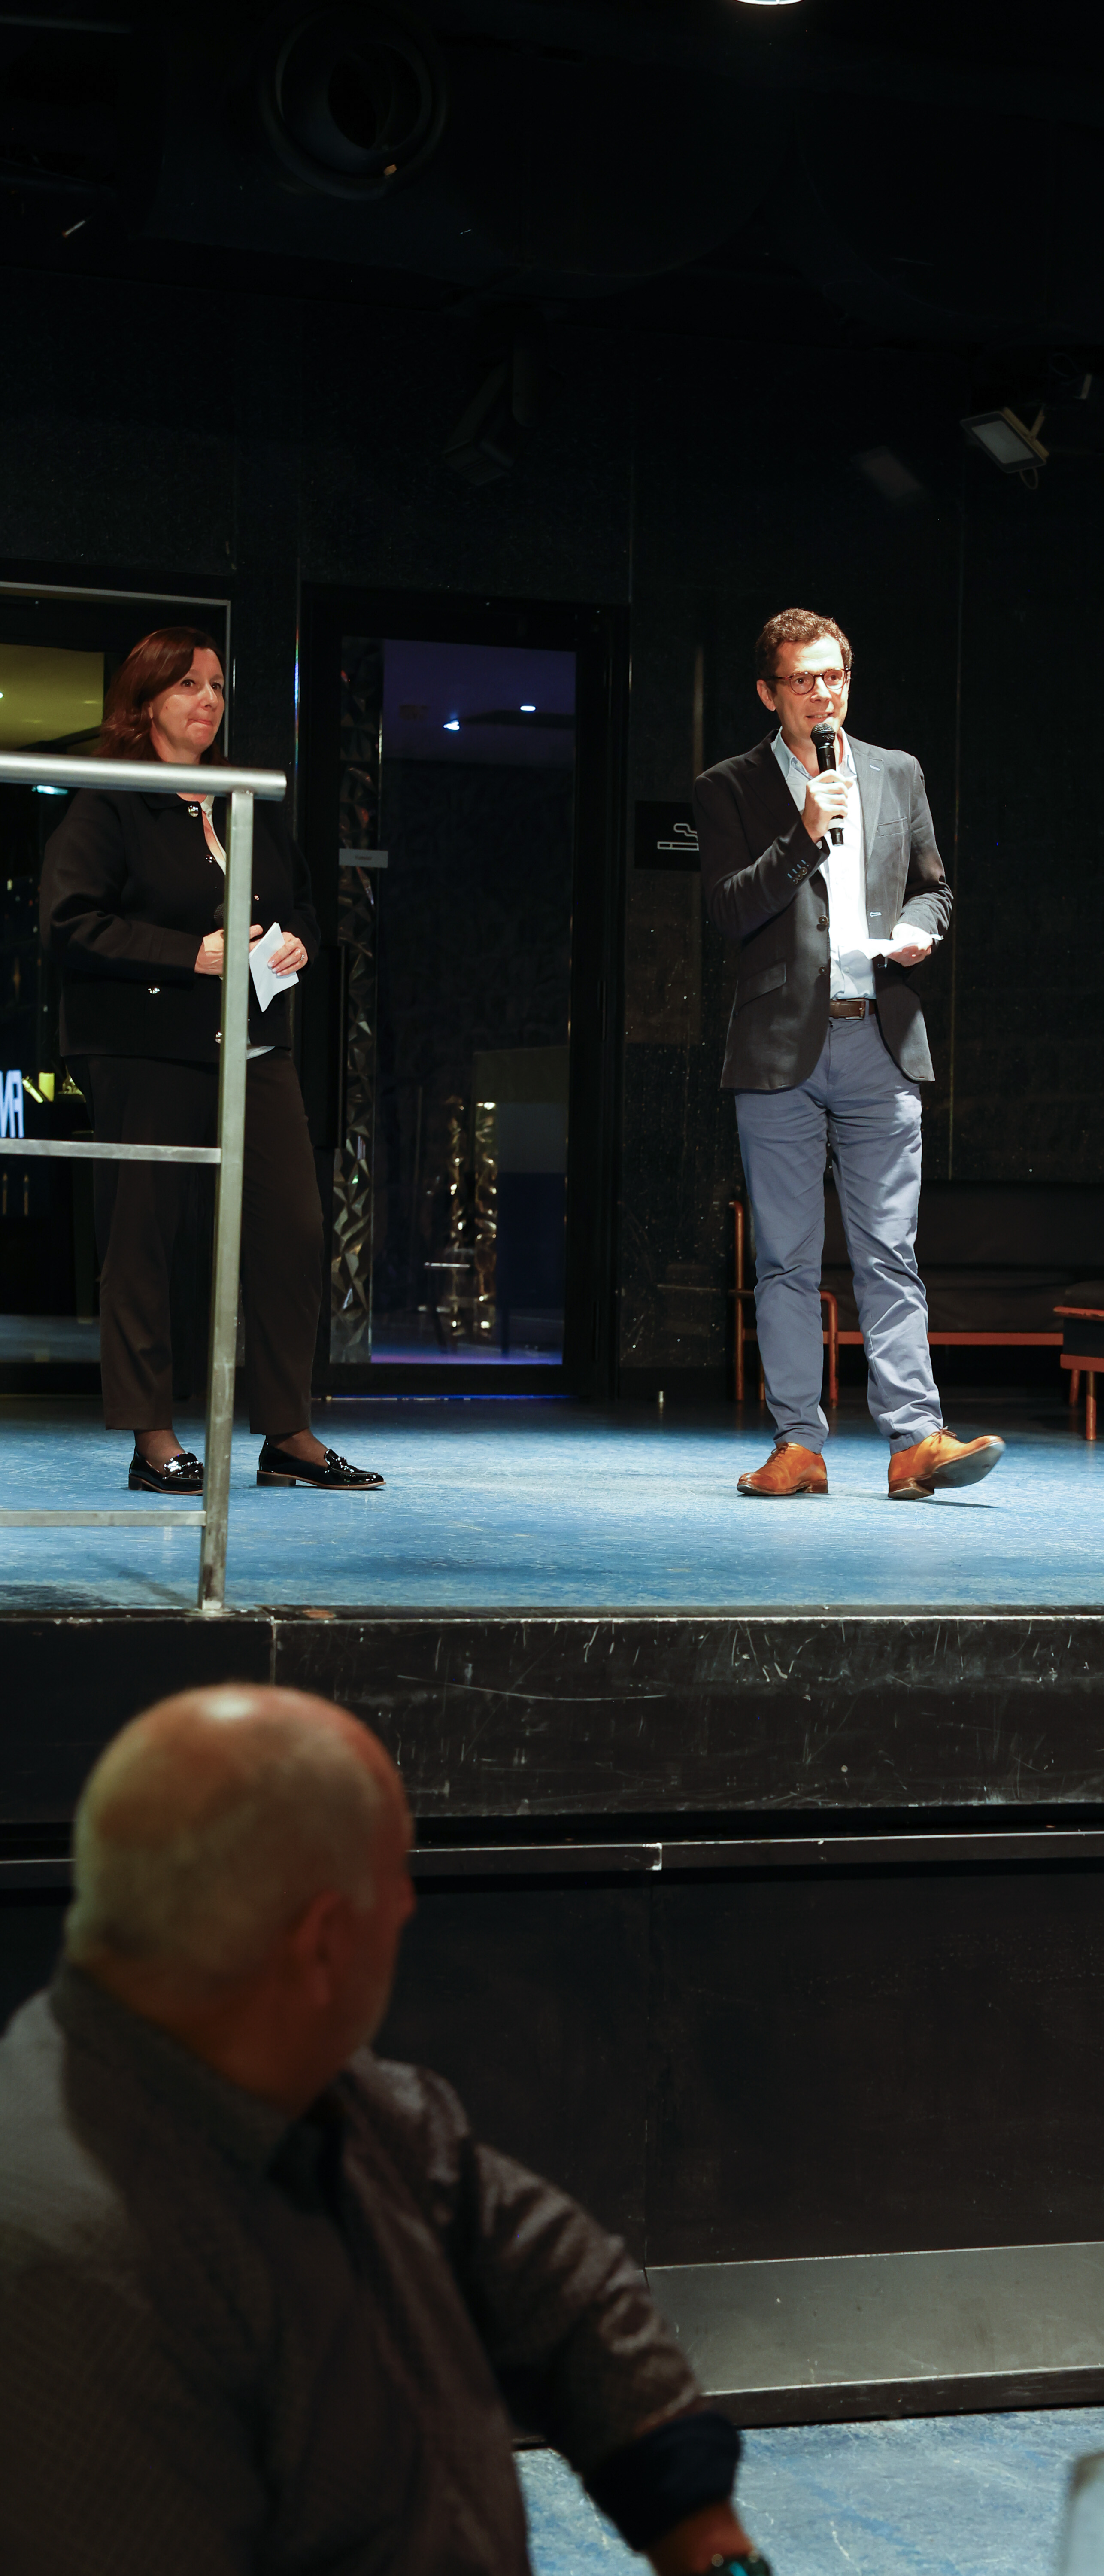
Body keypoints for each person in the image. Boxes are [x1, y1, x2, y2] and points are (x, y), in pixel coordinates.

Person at [0, 1684, 770, 2576]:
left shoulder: (314, 2088)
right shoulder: (76, 2278)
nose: (406, 1904)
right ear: (323, 1942)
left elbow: (557, 2285)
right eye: (394, 1873)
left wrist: (707, 2546)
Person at [39, 626, 380, 1494]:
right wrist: (188, 954)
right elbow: (71, 921)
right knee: (144, 1240)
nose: (208, 701)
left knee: (294, 1232)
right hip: (147, 1049)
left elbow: (302, 906)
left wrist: (297, 944)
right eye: (189, 685)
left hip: (254, 1044)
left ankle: (287, 1432)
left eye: (218, 686)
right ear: (147, 699)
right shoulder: (113, 799)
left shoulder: (244, 797)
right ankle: (153, 1438)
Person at [695, 607, 1004, 1502]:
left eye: (833, 676)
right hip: (776, 1048)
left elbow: (935, 890)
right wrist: (803, 832)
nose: (821, 694)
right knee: (786, 1259)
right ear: (769, 693)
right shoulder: (728, 787)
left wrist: (920, 928)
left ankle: (915, 1441)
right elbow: (729, 910)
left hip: (880, 1036)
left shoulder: (896, 772)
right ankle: (798, 1445)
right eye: (802, 680)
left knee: (889, 1252)